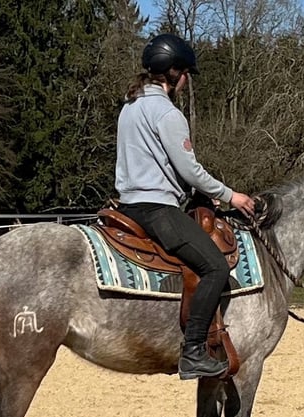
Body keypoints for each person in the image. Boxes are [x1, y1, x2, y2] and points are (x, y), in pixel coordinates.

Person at [114, 33, 256, 380]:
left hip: (126, 206)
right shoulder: (167, 113)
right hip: (157, 210)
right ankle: (193, 350)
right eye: (185, 72)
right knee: (214, 268)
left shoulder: (130, 107)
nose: (187, 79)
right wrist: (230, 196)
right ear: (174, 73)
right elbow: (190, 170)